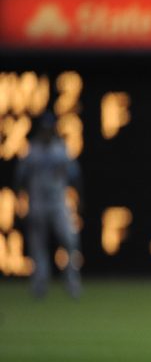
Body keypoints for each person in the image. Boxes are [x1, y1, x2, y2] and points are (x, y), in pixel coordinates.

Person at [13, 111, 83, 298]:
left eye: (49, 129)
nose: (46, 132)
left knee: (69, 241)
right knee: (38, 246)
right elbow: (20, 179)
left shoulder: (61, 150)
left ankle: (71, 281)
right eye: (44, 129)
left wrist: (79, 198)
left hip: (58, 203)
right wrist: (20, 201)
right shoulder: (31, 151)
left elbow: (75, 176)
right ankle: (39, 284)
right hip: (38, 204)